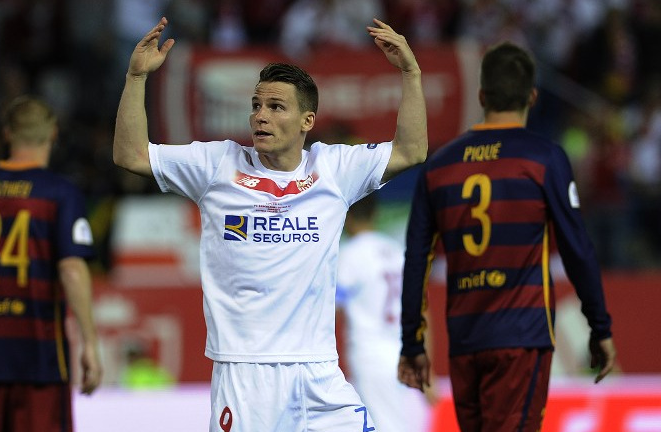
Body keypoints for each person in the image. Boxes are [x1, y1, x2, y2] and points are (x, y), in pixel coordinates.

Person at [113, 16, 427, 432]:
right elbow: (131, 155)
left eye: (276, 107)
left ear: (307, 121)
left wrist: (410, 73)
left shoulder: (334, 169)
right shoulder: (216, 164)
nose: (260, 116)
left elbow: (411, 150)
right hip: (246, 375)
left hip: (319, 372)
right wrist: (136, 77)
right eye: (256, 105)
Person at [398, 41, 617, 432]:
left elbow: (416, 259)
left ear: (482, 96)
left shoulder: (439, 167)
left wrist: (412, 343)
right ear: (532, 96)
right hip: (521, 335)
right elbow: (577, 249)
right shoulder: (543, 158)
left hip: (464, 339)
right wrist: (599, 327)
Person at [0, 95, 103, 432]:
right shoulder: (60, 193)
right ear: (53, 134)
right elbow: (72, 270)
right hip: (39, 357)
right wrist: (89, 342)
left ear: (7, 133)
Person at [336, 192, 436, 432]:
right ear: (375, 213)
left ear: (346, 216)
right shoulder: (397, 251)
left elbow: (328, 311)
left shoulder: (349, 255)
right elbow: (422, 312)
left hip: (371, 358)